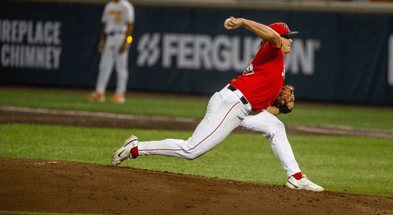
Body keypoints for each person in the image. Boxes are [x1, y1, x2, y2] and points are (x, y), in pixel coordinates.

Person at [111, 17, 324, 192]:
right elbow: (272, 36)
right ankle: (136, 148)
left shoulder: (276, 61)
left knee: (276, 127)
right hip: (231, 104)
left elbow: (260, 108)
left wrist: (279, 109)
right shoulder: (272, 49)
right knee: (192, 149)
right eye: (288, 37)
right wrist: (242, 22)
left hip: (242, 107)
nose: (291, 41)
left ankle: (296, 177)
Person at [86, 0, 135, 104]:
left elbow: (130, 25)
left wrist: (126, 41)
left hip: (121, 36)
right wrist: (102, 41)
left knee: (121, 67)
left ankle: (120, 94)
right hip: (109, 37)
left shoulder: (126, 6)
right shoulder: (109, 6)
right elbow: (104, 25)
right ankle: (99, 92)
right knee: (104, 66)